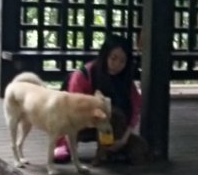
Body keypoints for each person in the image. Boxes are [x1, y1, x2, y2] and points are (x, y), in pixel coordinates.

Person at [53, 34, 148, 164]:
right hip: (81, 122)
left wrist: (124, 139)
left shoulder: (125, 80)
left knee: (140, 150)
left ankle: (110, 150)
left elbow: (135, 109)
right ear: (105, 55)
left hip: (108, 127)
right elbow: (72, 108)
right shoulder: (83, 75)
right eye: (113, 58)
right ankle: (63, 144)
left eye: (122, 61)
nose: (117, 65)